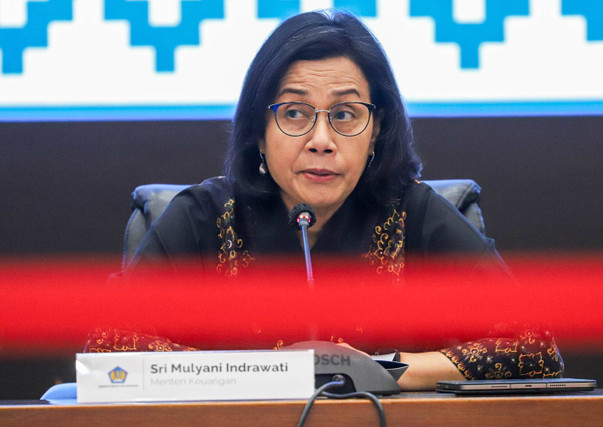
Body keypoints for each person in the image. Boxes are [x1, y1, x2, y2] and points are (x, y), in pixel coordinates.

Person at [87, 10, 564, 390]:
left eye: (345, 114)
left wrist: (381, 369)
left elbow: (535, 347)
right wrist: (273, 374)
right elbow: (107, 349)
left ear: (377, 129)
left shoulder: (414, 215)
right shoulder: (205, 217)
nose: (321, 140)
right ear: (258, 129)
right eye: (294, 113)